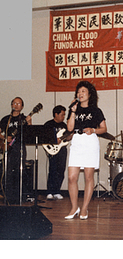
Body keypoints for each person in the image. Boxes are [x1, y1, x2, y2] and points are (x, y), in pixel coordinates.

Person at [65, 81, 107, 220]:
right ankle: (74, 207)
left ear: (89, 94)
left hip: (90, 142)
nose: (80, 94)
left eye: (83, 91)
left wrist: (93, 130)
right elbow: (70, 128)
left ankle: (84, 208)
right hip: (77, 141)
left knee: (88, 177)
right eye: (78, 91)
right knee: (72, 177)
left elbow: (104, 129)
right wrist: (72, 111)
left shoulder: (96, 110)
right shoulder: (74, 109)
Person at [0, 97, 32, 204]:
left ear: (22, 107)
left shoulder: (23, 119)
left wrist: (29, 123)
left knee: (19, 171)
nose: (16, 105)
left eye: (19, 104)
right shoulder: (6, 119)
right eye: (14, 103)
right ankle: (8, 196)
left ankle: (19, 197)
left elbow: (29, 134)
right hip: (8, 149)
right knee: (8, 172)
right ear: (11, 105)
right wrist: (4, 138)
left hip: (20, 148)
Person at [44, 105, 71, 200]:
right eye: (62, 115)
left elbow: (67, 138)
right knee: (53, 170)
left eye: (64, 115)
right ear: (56, 114)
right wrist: (54, 139)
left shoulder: (64, 126)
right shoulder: (48, 124)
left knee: (61, 170)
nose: (63, 117)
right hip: (53, 150)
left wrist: (69, 136)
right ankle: (50, 191)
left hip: (62, 150)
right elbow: (44, 138)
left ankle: (57, 191)